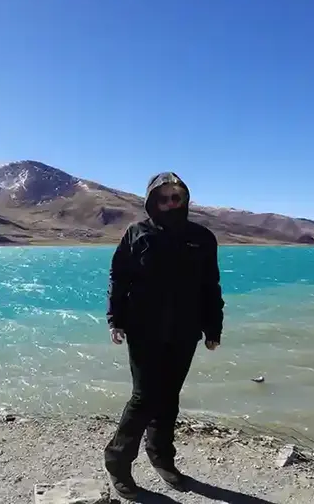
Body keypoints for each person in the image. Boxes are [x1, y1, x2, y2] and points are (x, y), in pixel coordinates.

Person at [103, 172, 225, 499]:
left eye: (176, 197)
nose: (170, 203)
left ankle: (161, 457)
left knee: (169, 397)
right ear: (152, 201)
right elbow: (119, 278)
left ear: (185, 200)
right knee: (144, 397)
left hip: (185, 330)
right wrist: (115, 320)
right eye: (163, 198)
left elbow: (210, 286)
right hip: (144, 329)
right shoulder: (137, 233)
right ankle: (117, 462)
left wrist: (213, 327)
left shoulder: (202, 238)